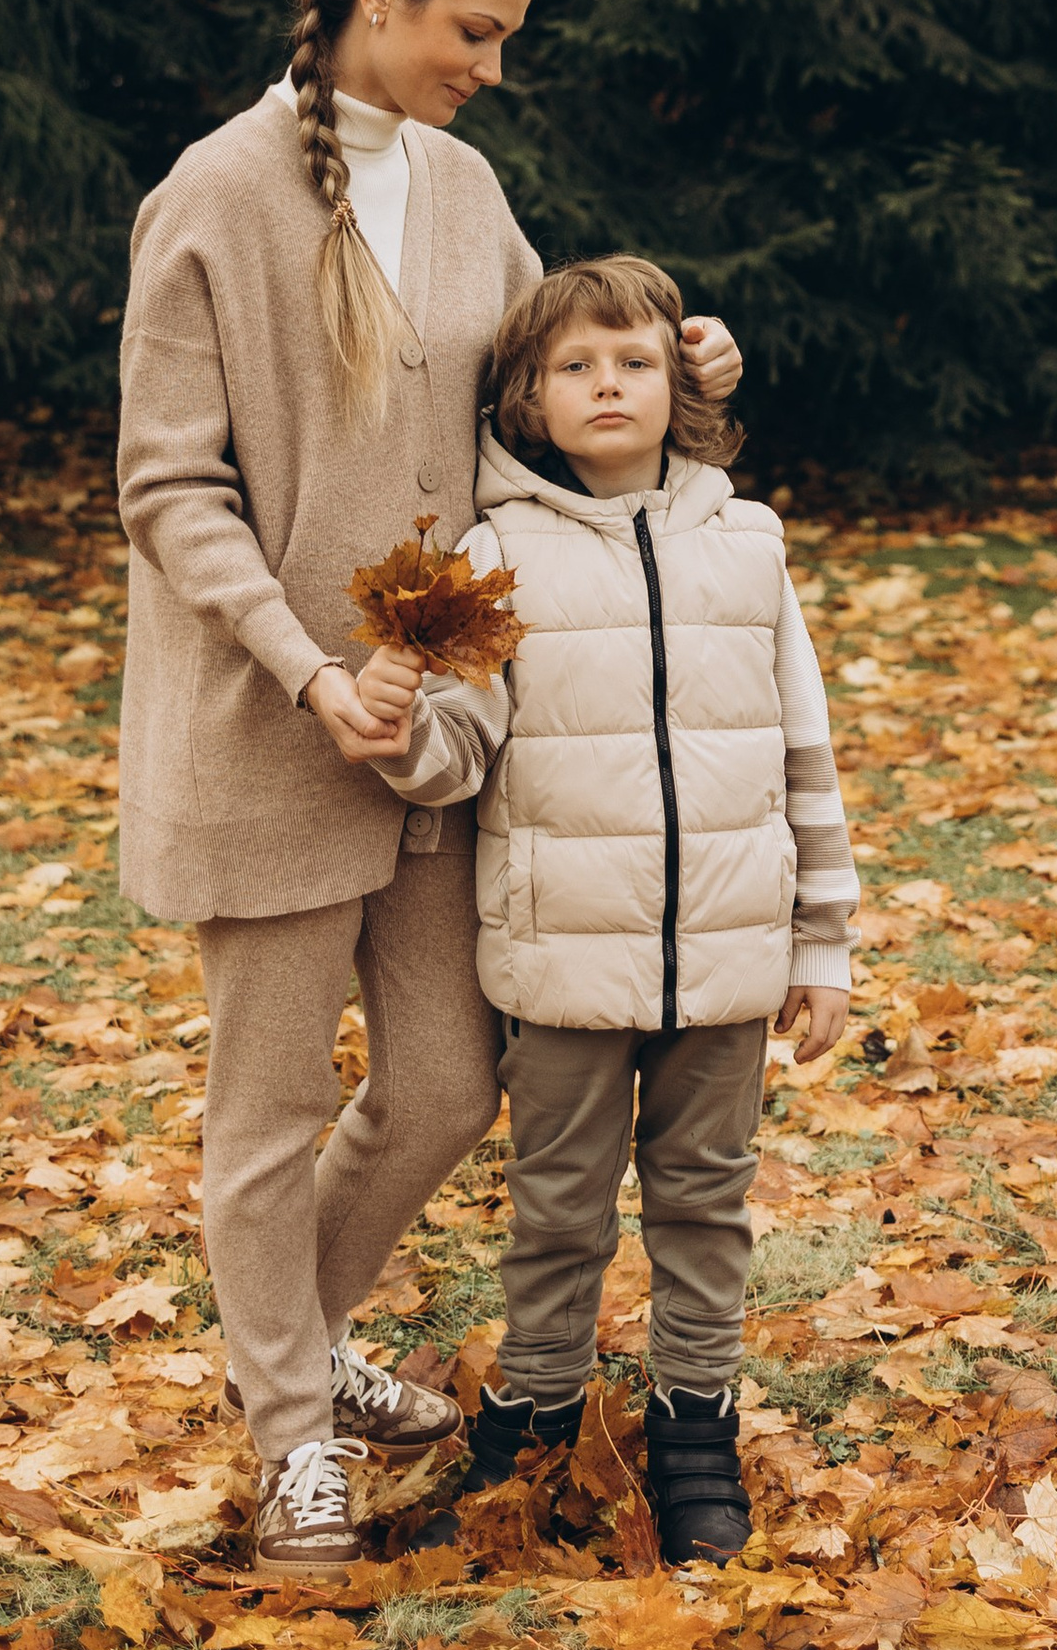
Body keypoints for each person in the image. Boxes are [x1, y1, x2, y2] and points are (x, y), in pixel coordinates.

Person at [114, 0, 742, 1574]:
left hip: (442, 734)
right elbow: (168, 491)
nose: (490, 63)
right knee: (264, 1118)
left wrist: (684, 375)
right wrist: (308, 670)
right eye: (474, 29)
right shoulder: (215, 197)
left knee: (450, 1084)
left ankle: (295, 1352)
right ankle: (289, 1440)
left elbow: (548, 382)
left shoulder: (466, 192)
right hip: (272, 733)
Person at [362, 254, 856, 1565]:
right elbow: (462, 744)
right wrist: (404, 732)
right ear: (525, 398)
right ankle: (534, 1407)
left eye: (633, 360)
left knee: (705, 1199)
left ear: (679, 380)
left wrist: (826, 942)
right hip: (564, 961)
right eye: (574, 366)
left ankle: (696, 1422)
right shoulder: (494, 552)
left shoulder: (745, 540)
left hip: (731, 958)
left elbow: (801, 743)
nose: (606, 385)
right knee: (559, 1204)